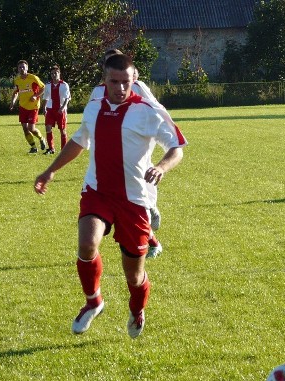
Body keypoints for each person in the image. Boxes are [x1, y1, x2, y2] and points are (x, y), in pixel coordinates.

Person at [34, 54, 187, 338]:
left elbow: (176, 148)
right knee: (86, 244)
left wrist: (162, 166)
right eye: (113, 82)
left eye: (125, 82)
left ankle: (137, 309)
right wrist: (50, 170)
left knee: (133, 275)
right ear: (104, 79)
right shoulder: (94, 104)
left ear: (135, 79)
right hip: (98, 192)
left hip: (134, 201)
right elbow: (80, 140)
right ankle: (94, 302)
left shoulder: (148, 111)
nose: (119, 88)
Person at [89, 52, 167, 258]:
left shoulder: (138, 87)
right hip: (108, 157)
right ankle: (150, 232)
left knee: (135, 201)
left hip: (136, 149)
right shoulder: (97, 92)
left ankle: (150, 212)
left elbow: (157, 110)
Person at [9, 60, 47, 154]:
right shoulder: (17, 80)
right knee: (25, 129)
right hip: (23, 106)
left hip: (33, 107)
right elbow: (16, 92)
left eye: (23, 67)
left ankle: (41, 138)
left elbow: (43, 88)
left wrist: (35, 96)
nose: (21, 69)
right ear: (17, 69)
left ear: (27, 68)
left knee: (31, 128)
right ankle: (33, 147)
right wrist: (13, 102)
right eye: (20, 67)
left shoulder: (33, 78)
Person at [40, 65, 71, 155]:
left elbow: (66, 99)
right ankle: (51, 148)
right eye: (52, 73)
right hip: (50, 109)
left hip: (61, 110)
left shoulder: (64, 85)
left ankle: (64, 150)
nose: (54, 75)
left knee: (62, 130)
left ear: (59, 73)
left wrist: (62, 108)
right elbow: (45, 98)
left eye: (56, 73)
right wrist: (44, 108)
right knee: (48, 128)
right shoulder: (48, 85)